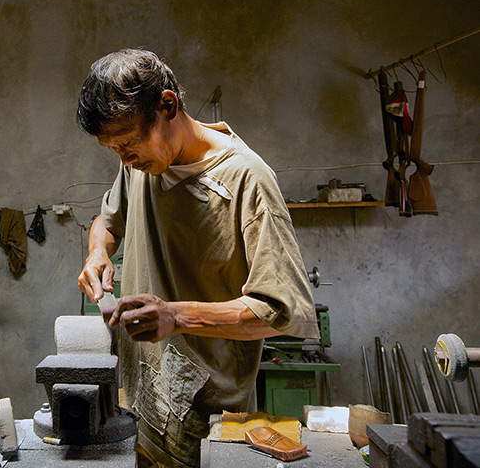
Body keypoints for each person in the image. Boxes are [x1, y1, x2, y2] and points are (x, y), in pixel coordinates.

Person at [76, 48, 319, 467]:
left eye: (129, 143)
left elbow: (277, 312)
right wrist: (98, 251)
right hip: (140, 398)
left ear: (168, 105)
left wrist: (175, 315)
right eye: (113, 149)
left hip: (207, 414)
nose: (124, 158)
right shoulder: (139, 163)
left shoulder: (247, 181)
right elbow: (109, 219)